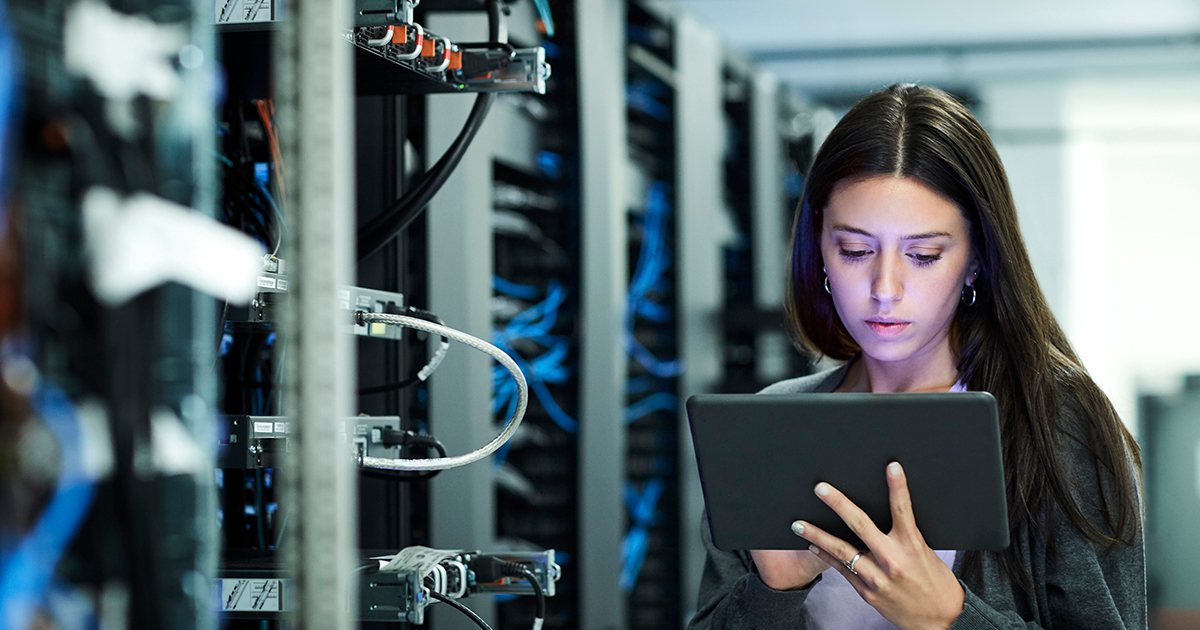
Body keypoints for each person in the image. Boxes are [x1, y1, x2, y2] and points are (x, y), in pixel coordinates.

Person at [688, 84, 1145, 630]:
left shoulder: (1057, 424)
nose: (885, 287)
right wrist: (772, 591)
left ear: (976, 260)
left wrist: (949, 617)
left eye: (923, 255)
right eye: (855, 250)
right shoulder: (772, 425)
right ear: (819, 249)